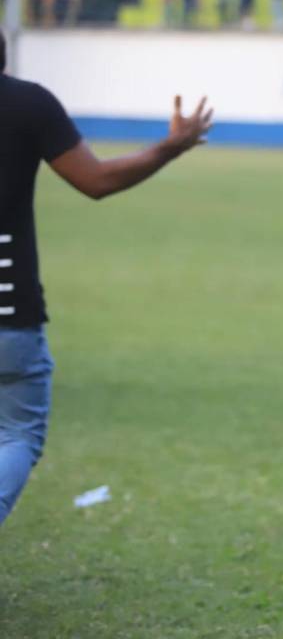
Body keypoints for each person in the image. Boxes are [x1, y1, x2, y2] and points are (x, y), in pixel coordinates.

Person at [0, 35, 212, 526]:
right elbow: (97, 180)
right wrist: (172, 147)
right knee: (17, 435)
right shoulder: (28, 103)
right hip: (10, 316)